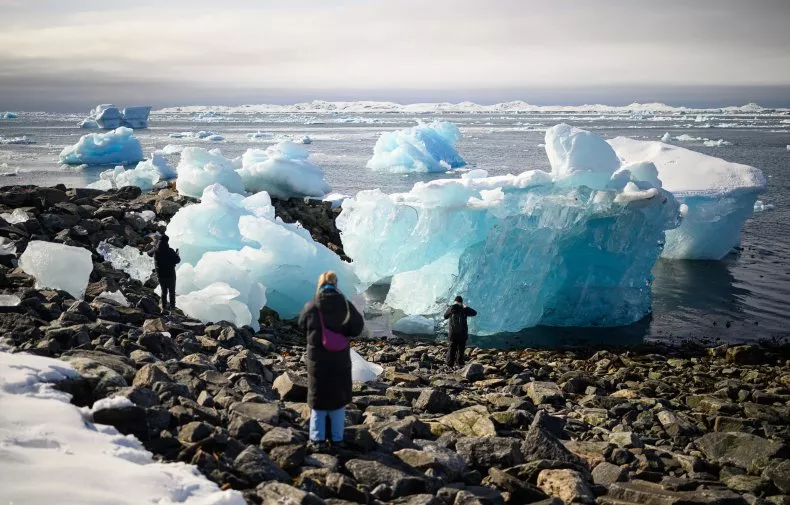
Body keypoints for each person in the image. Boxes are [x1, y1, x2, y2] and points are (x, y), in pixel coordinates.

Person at [298, 271, 364, 452]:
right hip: (339, 358)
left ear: (320, 284)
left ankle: (317, 439)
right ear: (336, 284)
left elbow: (301, 324)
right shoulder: (345, 304)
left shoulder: (312, 305)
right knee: (338, 398)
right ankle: (337, 439)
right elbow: (358, 327)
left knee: (317, 398)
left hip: (317, 359)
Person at [444, 295, 477, 368]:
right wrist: (466, 307)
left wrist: (450, 309)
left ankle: (449, 365)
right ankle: (460, 364)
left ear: (455, 301)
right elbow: (474, 313)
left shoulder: (451, 308)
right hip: (462, 334)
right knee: (461, 350)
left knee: (452, 349)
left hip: (452, 333)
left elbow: (445, 316)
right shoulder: (464, 309)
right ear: (461, 302)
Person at [154, 234, 180, 312]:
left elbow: (149, 253)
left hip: (160, 275)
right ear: (167, 242)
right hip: (170, 275)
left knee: (164, 291)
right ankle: (172, 308)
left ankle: (164, 307)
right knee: (172, 292)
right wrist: (176, 254)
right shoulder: (170, 250)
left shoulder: (155, 250)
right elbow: (177, 260)